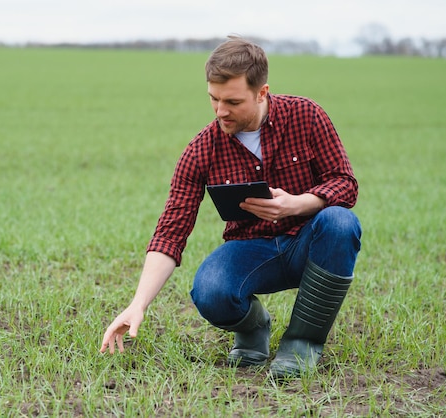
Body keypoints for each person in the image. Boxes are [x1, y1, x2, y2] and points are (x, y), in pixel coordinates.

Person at [100, 36, 362, 379]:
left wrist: (295, 205)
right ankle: (254, 330)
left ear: (262, 92)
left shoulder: (306, 116)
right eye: (213, 99)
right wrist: (138, 304)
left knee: (340, 222)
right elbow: (170, 231)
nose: (221, 110)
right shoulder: (201, 150)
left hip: (308, 244)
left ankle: (302, 344)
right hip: (251, 252)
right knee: (209, 290)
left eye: (233, 101)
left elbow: (345, 182)